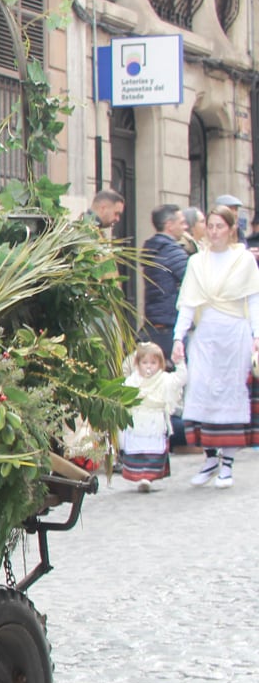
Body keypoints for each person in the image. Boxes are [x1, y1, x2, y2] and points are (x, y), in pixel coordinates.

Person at [171, 205, 259, 488]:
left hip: (235, 334)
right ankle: (209, 458)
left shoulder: (243, 260)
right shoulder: (197, 262)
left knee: (231, 393)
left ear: (231, 229)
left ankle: (228, 463)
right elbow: (187, 302)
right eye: (210, 226)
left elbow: (253, 300)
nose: (214, 231)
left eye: (220, 226)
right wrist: (178, 337)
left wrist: (257, 334)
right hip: (206, 335)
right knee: (202, 390)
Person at [120, 342, 186, 491]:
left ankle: (148, 476)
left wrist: (180, 362)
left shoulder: (164, 379)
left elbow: (180, 379)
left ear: (160, 364)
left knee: (153, 451)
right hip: (137, 421)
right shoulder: (132, 381)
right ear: (138, 364)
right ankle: (140, 476)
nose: (149, 366)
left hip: (155, 421)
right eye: (145, 362)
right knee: (139, 449)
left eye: (153, 362)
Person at [141, 204, 190, 352]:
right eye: (181, 222)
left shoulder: (153, 248)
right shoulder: (171, 251)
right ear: (169, 225)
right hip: (170, 323)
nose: (186, 227)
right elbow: (193, 280)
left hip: (155, 322)